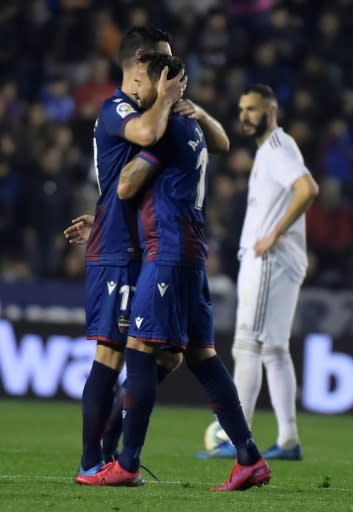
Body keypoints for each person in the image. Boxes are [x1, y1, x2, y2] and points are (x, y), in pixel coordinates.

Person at [77, 53, 271, 491]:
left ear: (164, 84)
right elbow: (216, 146)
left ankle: (125, 461)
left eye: (148, 82)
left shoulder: (166, 130)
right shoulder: (193, 127)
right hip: (191, 251)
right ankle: (248, 456)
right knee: (202, 355)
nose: (138, 91)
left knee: (140, 347)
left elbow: (127, 184)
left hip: (165, 251)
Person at [64, 26, 185, 483]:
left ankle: (113, 446)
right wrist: (169, 101)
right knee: (111, 355)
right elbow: (150, 135)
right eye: (164, 64)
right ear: (140, 63)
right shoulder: (118, 109)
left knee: (168, 356)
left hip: (138, 243)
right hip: (118, 252)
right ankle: (93, 461)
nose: (171, 73)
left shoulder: (139, 108)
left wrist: (102, 216)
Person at [199, 83, 319, 460]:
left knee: (247, 344)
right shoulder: (270, 151)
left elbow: (307, 188)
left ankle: (238, 437)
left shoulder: (278, 148)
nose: (245, 117)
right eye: (242, 109)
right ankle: (288, 440)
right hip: (278, 259)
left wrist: (272, 235)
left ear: (271, 111)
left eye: (252, 109)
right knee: (276, 350)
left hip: (270, 259)